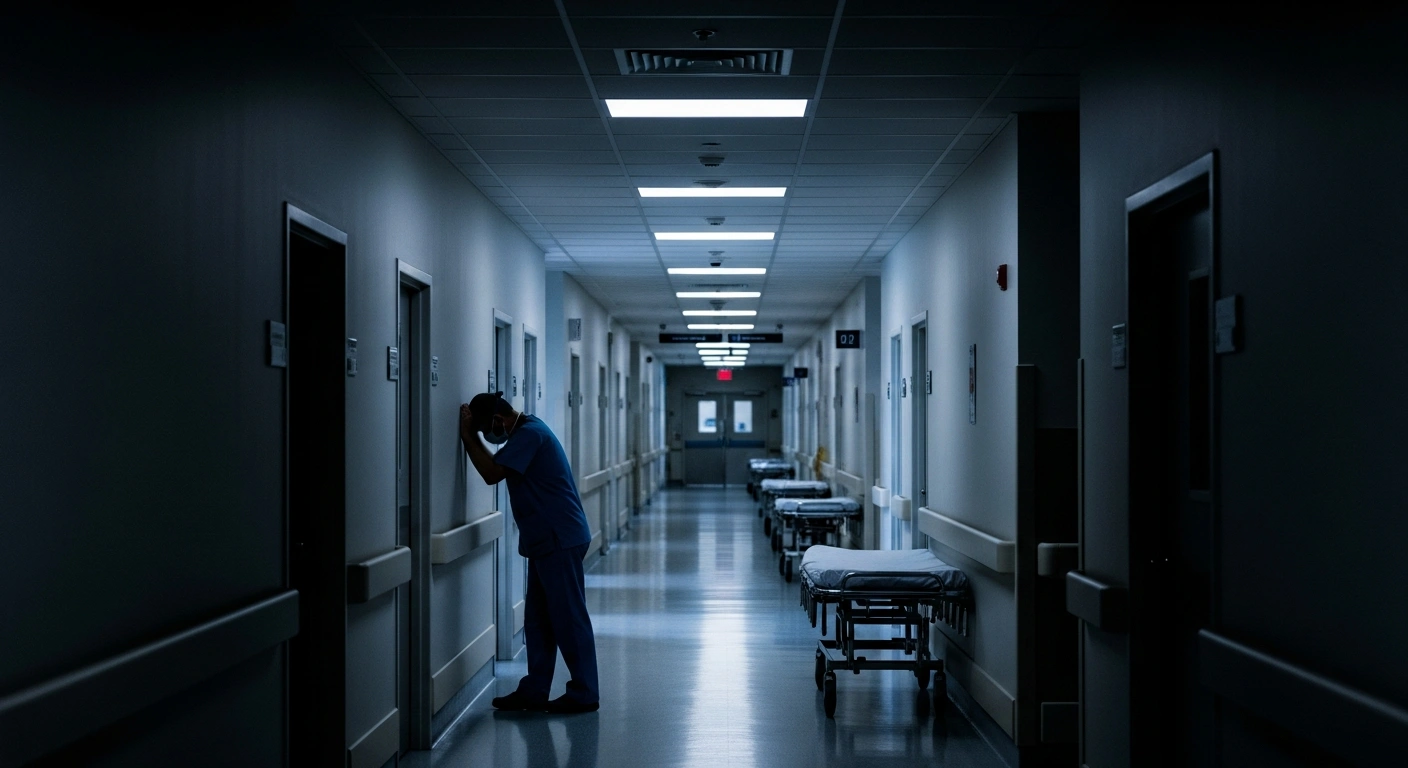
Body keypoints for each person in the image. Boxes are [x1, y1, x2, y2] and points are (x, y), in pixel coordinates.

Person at [459, 392, 600, 714]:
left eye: (486, 430)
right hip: (547, 541)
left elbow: (492, 473)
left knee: (568, 618)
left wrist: (468, 437)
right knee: (538, 621)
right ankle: (534, 690)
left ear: (497, 420)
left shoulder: (530, 435)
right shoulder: (529, 430)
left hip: (559, 540)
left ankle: (585, 693)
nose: (488, 437)